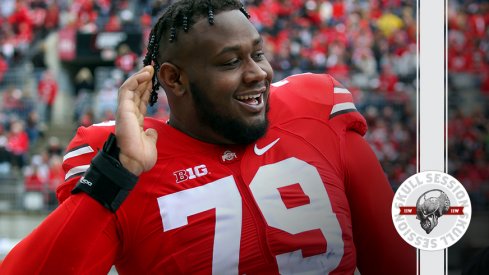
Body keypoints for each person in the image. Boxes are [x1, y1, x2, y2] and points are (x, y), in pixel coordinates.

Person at [0, 1, 415, 274]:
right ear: (174, 78)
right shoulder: (120, 161)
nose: (258, 73)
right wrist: (115, 175)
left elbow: (399, 262)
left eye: (258, 52)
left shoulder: (316, 109)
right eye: (230, 61)